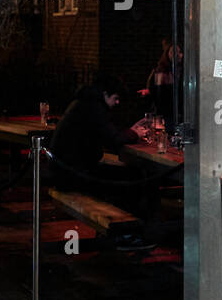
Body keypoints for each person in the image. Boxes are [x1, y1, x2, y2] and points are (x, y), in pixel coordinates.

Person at [49, 71, 152, 250]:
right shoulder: (93, 108)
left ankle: (129, 232)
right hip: (73, 175)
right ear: (105, 94)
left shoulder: (85, 104)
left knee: (130, 175)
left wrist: (130, 131)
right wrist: (134, 133)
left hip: (67, 171)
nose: (117, 103)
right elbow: (113, 139)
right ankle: (126, 235)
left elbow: (108, 133)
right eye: (116, 98)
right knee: (133, 178)